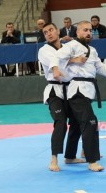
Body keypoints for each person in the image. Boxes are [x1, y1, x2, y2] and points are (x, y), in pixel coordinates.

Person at [53, 21, 106, 172]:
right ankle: (92, 160)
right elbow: (56, 57)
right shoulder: (71, 46)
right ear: (78, 32)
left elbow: (99, 66)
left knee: (76, 124)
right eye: (85, 30)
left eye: (90, 31)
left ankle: (69, 156)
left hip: (88, 89)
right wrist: (67, 63)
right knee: (90, 122)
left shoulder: (92, 50)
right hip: (77, 90)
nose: (89, 33)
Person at [38, 22, 85, 172]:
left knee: (77, 120)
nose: (49, 33)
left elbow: (75, 63)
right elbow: (55, 62)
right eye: (45, 32)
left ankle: (70, 156)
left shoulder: (67, 47)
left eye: (51, 30)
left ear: (58, 31)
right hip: (54, 90)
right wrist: (72, 60)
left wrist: (73, 60)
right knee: (60, 122)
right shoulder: (44, 50)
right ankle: (53, 159)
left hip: (70, 88)